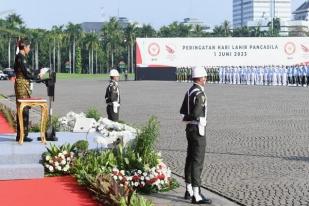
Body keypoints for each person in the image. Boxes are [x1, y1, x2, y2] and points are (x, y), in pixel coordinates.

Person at [180, 66, 211, 204]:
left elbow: (182, 112)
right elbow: (196, 113)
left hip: (189, 129)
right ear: (200, 78)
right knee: (197, 161)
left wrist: (186, 118)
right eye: (204, 77)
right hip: (198, 129)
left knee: (190, 158)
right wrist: (191, 118)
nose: (205, 79)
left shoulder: (189, 91)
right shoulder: (199, 93)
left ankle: (188, 189)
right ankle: (196, 195)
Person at [14, 39, 43, 142]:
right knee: (23, 110)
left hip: (23, 86)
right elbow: (27, 73)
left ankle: (22, 134)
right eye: (29, 47)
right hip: (22, 86)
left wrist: (39, 71)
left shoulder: (21, 58)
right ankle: (22, 135)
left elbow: (29, 70)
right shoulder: (20, 58)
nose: (29, 49)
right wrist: (38, 76)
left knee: (24, 109)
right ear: (24, 47)